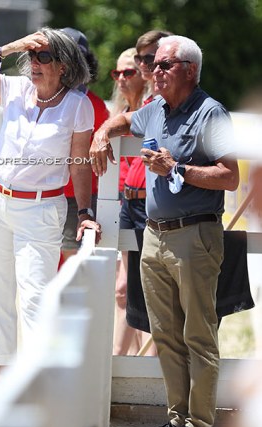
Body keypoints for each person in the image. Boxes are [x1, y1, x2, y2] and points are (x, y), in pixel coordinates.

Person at [89, 35, 239, 427]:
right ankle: (176, 421)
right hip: (155, 236)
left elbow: (230, 177)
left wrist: (178, 168)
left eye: (164, 65)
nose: (154, 71)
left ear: (189, 70)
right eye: (153, 64)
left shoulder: (211, 113)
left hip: (196, 234)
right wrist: (103, 132)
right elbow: (125, 121)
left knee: (198, 335)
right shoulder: (155, 109)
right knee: (166, 333)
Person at [0, 27, 101, 407]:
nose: (33, 63)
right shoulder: (15, 89)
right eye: (31, 57)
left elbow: (79, 162)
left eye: (44, 57)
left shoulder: (78, 105)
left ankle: (36, 389)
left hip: (41, 209)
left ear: (65, 66)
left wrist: (85, 212)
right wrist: (11, 47)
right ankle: (5, 386)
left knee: (36, 297)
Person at [123, 30, 173, 356]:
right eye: (140, 58)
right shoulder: (145, 100)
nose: (144, 64)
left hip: (151, 202)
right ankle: (128, 363)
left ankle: (147, 372)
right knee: (127, 291)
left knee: (153, 291)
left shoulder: (163, 100)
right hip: (132, 198)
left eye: (150, 58)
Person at [59, 27, 109, 263]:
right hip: (41, 195)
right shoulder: (39, 97)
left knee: (70, 264)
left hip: (74, 199)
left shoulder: (95, 106)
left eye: (73, 57)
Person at [109, 48, 147, 355]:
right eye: (117, 73)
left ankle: (138, 366)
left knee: (145, 291)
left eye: (128, 72)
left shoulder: (149, 110)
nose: (121, 78)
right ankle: (120, 364)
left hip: (149, 206)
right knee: (124, 289)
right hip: (127, 204)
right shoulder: (119, 112)